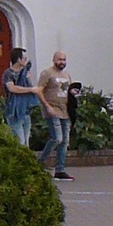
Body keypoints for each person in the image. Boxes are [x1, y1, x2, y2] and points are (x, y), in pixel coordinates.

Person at [37, 49, 76, 181]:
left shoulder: (67, 75)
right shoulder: (47, 73)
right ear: (54, 60)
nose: (62, 62)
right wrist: (46, 106)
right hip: (52, 109)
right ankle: (40, 163)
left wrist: (73, 93)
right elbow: (39, 90)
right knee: (56, 138)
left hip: (65, 110)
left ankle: (60, 169)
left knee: (64, 141)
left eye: (64, 60)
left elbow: (66, 91)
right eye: (59, 59)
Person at [0, 46, 39, 146]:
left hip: (25, 110)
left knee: (26, 141)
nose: (26, 61)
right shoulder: (8, 73)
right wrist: (30, 89)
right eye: (24, 58)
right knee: (19, 141)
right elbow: (12, 88)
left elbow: (29, 85)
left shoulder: (25, 73)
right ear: (18, 59)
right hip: (14, 111)